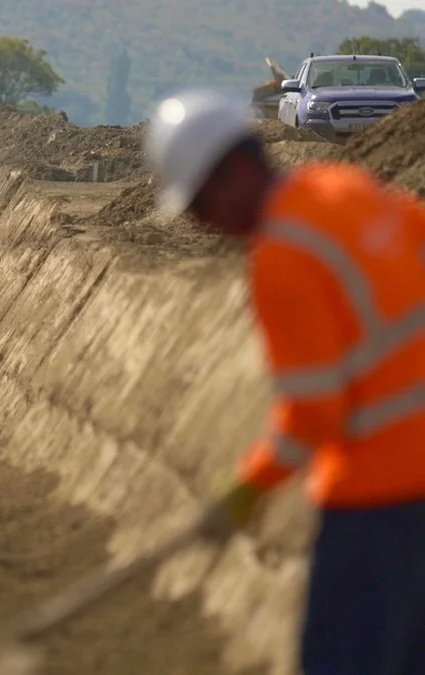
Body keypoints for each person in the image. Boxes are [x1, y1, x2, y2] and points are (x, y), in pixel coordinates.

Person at [144, 87, 425, 675]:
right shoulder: (339, 186)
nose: (203, 223)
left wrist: (246, 489)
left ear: (237, 171)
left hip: (380, 499)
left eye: (200, 203)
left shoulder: (282, 258)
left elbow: (314, 415)